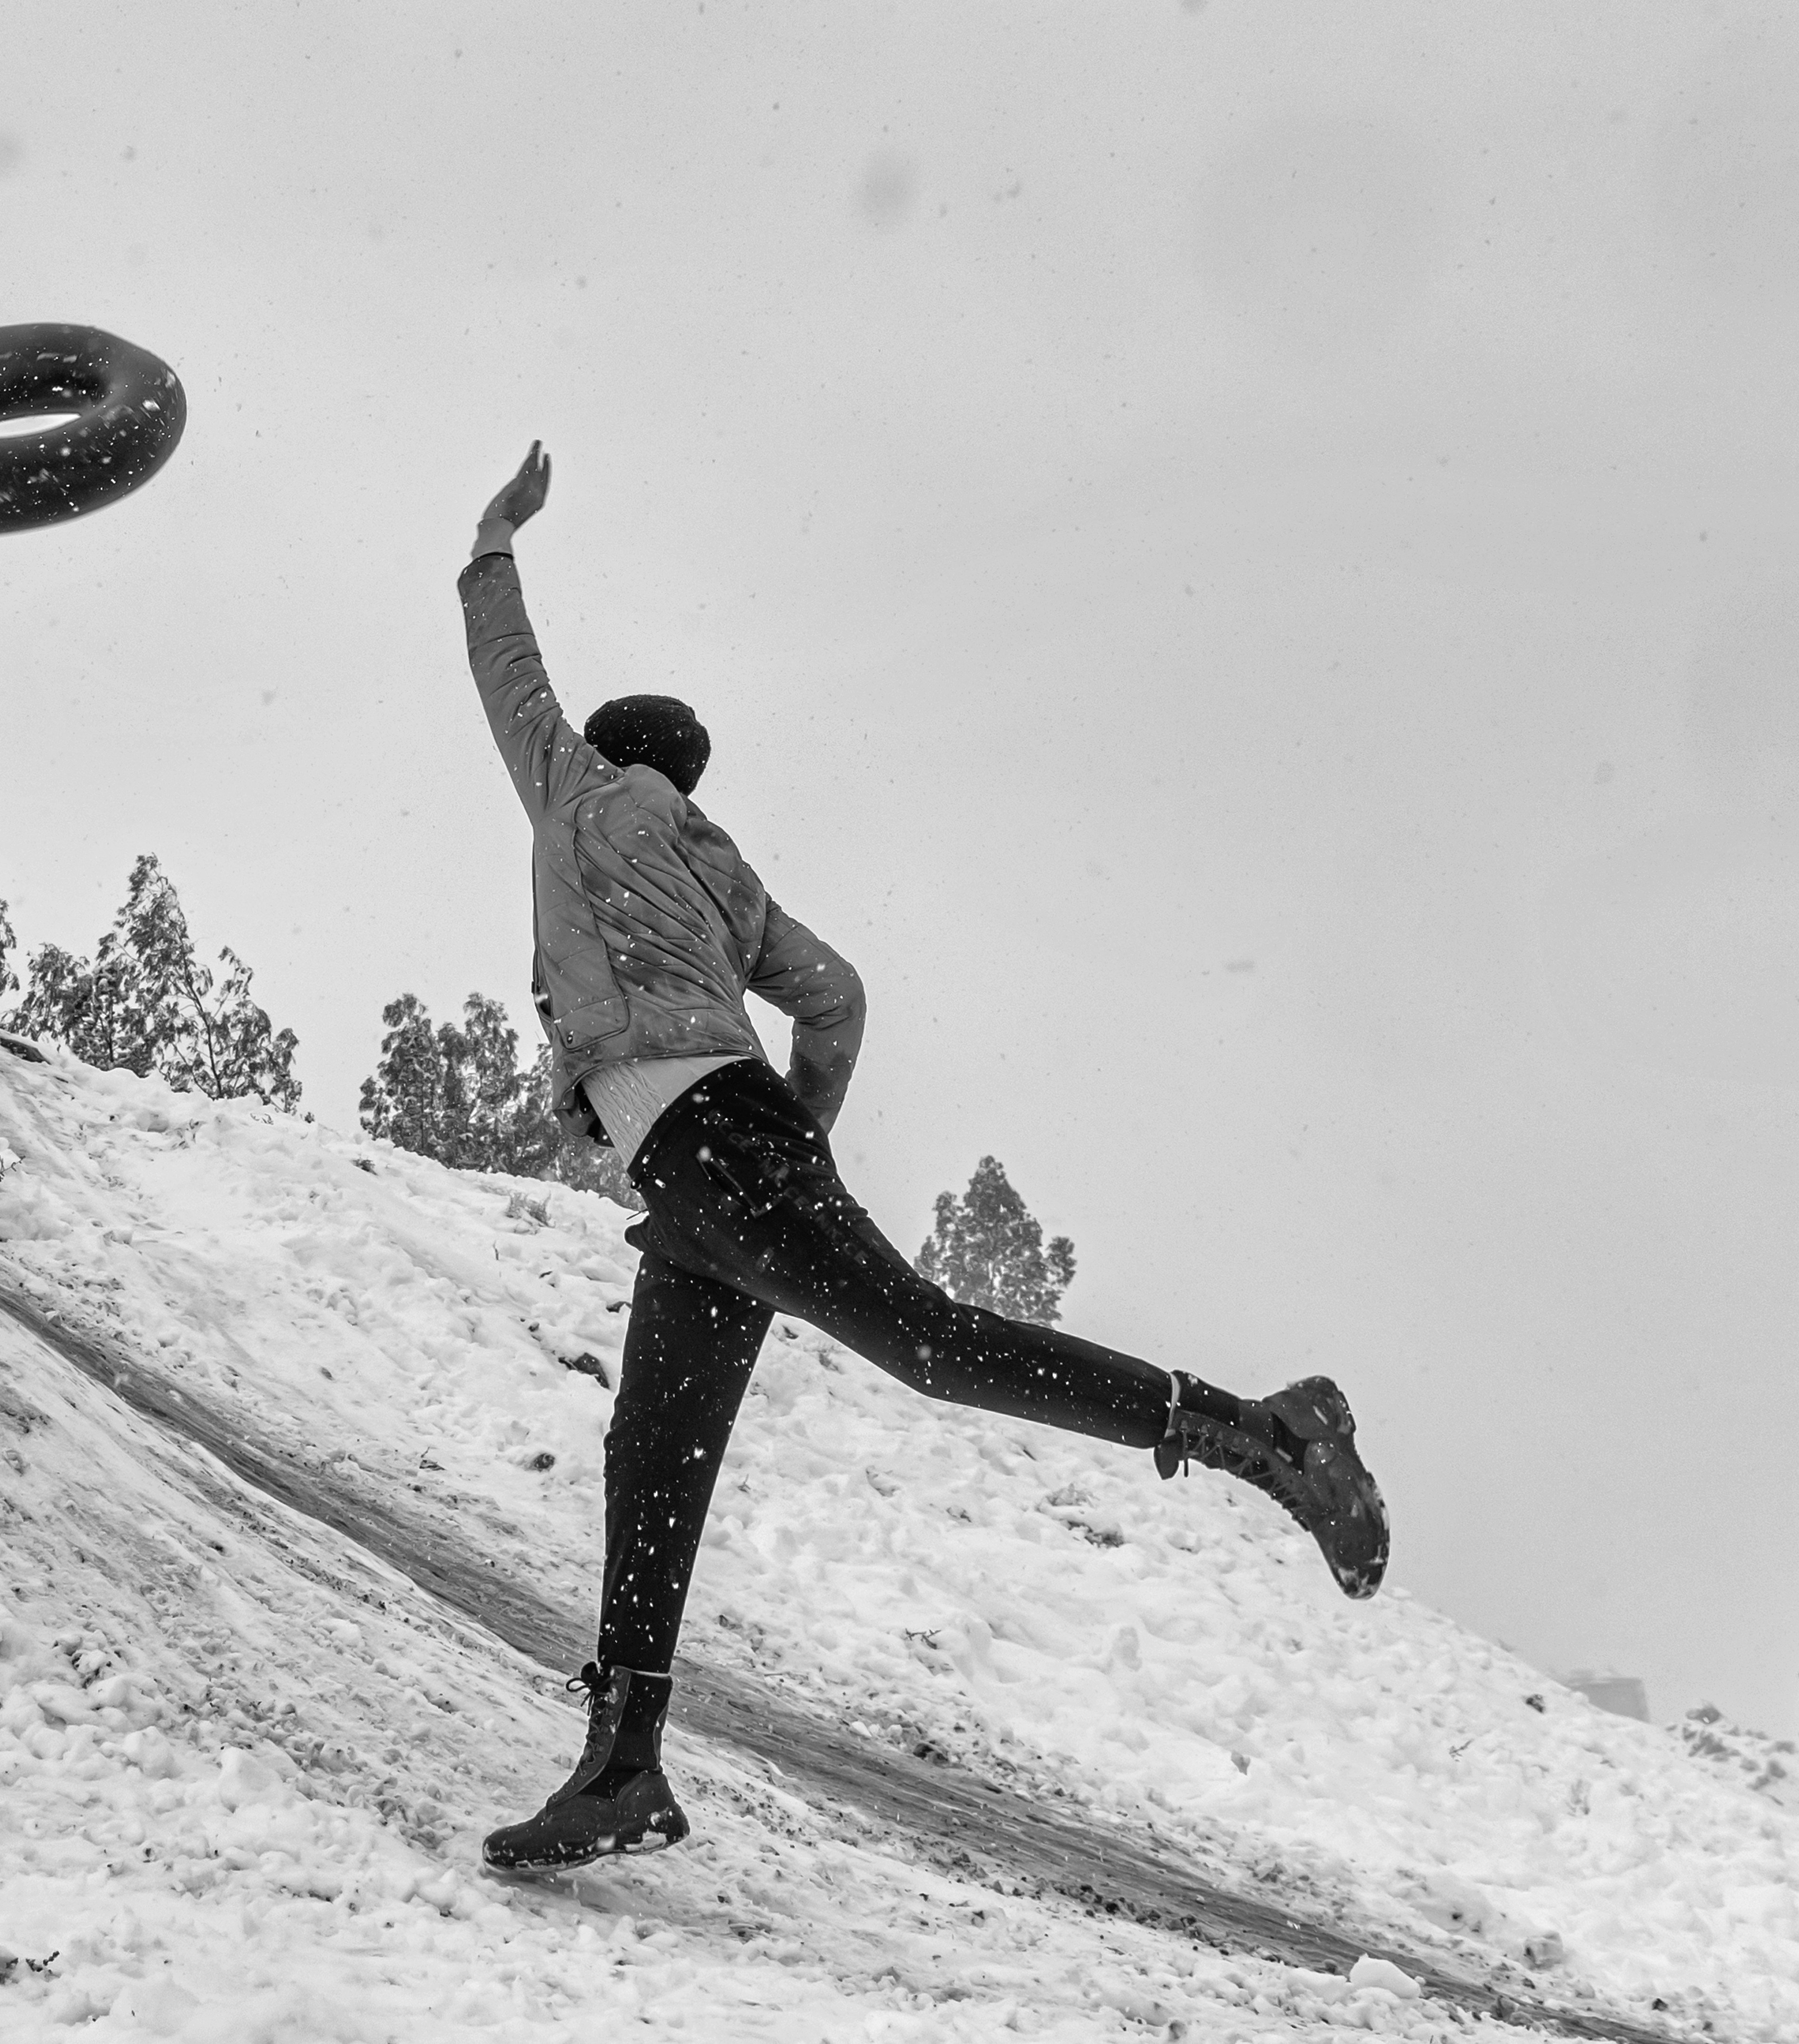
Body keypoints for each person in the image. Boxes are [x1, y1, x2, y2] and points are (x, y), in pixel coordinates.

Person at [456, 441, 1387, 1873]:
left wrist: (491, 537)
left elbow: (507, 667)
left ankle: (1260, 1430)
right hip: (711, 1176)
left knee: (932, 1346)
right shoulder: (727, 872)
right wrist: (796, 1142)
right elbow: (835, 997)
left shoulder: (575, 790)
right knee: (652, 1452)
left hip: (717, 1155)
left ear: (605, 742)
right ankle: (622, 1765)